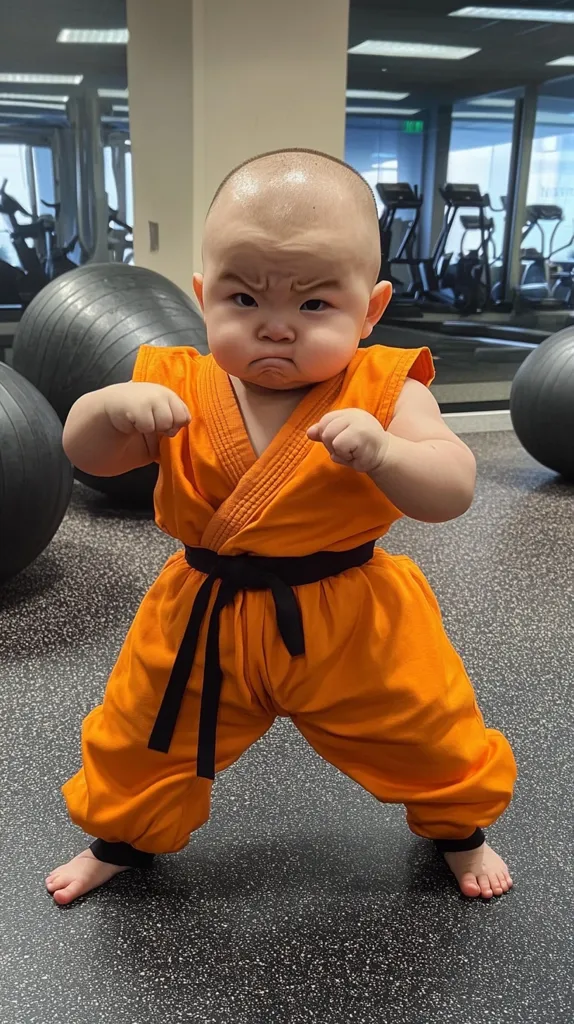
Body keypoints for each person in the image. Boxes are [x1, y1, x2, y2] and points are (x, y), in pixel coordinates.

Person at [46, 149, 516, 907]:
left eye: (315, 305)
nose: (275, 327)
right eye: (243, 298)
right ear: (202, 296)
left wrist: (388, 452)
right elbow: (86, 455)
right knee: (141, 732)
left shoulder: (386, 388)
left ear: (371, 309)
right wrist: (106, 412)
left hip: (352, 614)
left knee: (424, 727)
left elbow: (453, 486)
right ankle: (121, 838)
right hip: (204, 613)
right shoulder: (172, 381)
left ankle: (461, 828)